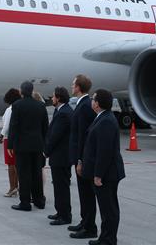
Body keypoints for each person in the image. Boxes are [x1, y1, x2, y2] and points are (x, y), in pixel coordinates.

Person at [83, 89, 125, 245]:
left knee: (109, 209)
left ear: (98, 103)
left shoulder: (106, 120)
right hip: (107, 172)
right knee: (107, 208)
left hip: (107, 173)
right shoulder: (102, 117)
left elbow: (104, 151)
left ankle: (108, 239)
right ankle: (105, 237)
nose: (91, 101)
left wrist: (98, 174)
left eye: (93, 99)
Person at [8, 81, 48, 211]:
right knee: (37, 173)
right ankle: (39, 201)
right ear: (32, 91)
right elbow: (45, 128)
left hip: (22, 146)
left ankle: (25, 202)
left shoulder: (17, 105)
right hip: (37, 146)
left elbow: (13, 126)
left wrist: (10, 145)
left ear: (21, 91)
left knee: (24, 174)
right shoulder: (41, 106)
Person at [68, 75, 98, 239]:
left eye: (73, 84)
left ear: (79, 87)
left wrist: (81, 160)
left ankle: (90, 227)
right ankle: (84, 222)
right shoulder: (82, 104)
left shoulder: (86, 106)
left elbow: (85, 137)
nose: (72, 86)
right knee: (82, 192)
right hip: (79, 157)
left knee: (87, 193)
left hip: (83, 159)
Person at [44, 87, 73, 225]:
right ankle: (60, 211)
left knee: (62, 187)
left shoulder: (64, 113)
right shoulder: (60, 111)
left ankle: (65, 216)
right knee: (58, 186)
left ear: (59, 98)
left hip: (61, 157)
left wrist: (46, 151)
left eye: (54, 96)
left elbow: (55, 136)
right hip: (59, 156)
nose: (52, 98)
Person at [0, 88, 21, 197]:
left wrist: (1, 135)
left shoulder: (10, 109)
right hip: (17, 139)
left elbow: (6, 125)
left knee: (10, 165)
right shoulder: (18, 108)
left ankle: (12, 187)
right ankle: (17, 186)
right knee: (16, 164)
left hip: (8, 139)